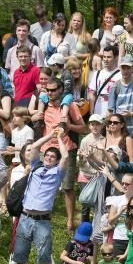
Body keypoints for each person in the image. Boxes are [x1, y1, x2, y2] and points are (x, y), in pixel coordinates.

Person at [13, 132, 70, 264]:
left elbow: (65, 156)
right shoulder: (35, 166)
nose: (49, 158)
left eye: (53, 156)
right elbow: (35, 146)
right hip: (25, 217)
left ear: (56, 160)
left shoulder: (58, 173)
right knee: (20, 253)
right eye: (48, 155)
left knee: (44, 254)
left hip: (42, 220)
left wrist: (59, 138)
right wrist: (51, 134)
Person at [39, 78, 86, 232]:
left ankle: (70, 221)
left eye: (53, 90)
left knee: (67, 187)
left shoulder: (70, 106)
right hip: (46, 149)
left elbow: (82, 128)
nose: (50, 93)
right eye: (48, 90)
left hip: (67, 148)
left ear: (60, 90)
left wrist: (69, 126)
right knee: (43, 184)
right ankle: (42, 217)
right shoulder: (44, 104)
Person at [88, 46, 121, 117]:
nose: (106, 59)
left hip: (115, 114)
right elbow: (92, 95)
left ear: (115, 57)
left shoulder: (120, 75)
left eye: (109, 57)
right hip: (98, 113)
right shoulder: (97, 74)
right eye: (104, 57)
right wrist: (91, 114)